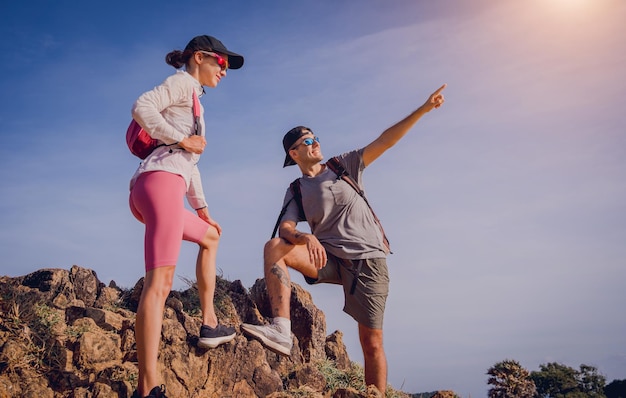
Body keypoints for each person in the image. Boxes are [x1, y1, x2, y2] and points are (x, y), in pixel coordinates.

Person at [241, 84, 446, 394]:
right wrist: (304, 237)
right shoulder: (296, 189)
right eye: (307, 141)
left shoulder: (342, 166)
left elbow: (385, 141)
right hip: (329, 260)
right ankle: (281, 330)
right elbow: (285, 229)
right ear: (293, 153)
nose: (315, 144)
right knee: (274, 248)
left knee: (371, 342)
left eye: (316, 138)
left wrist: (423, 109)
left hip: (368, 261)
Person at [128, 35, 244, 398]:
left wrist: (203, 210)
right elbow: (141, 107)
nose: (224, 72)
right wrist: (181, 138)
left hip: (167, 186)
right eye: (221, 64)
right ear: (199, 58)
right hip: (159, 184)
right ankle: (147, 388)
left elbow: (189, 165)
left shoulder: (196, 100)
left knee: (210, 237)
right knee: (159, 286)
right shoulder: (181, 83)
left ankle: (209, 323)